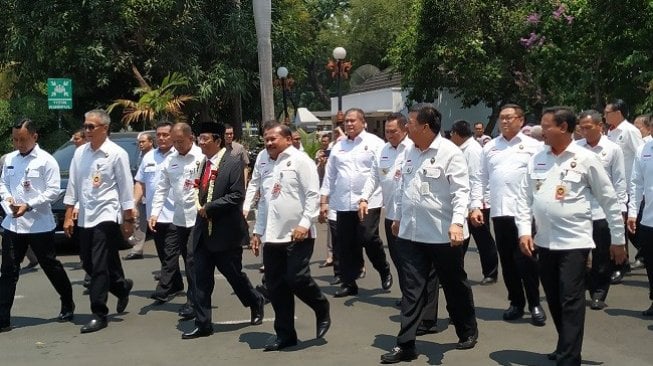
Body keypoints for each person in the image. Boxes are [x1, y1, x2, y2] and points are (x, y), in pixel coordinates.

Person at [516, 106, 626, 365]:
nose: (541, 131)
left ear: (563, 128)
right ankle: (565, 344)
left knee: (571, 299)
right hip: (544, 242)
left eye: (546, 126)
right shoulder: (538, 158)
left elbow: (609, 200)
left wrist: (618, 240)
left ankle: (569, 357)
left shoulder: (585, 158)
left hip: (575, 242)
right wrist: (524, 231)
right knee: (554, 298)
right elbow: (524, 199)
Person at [380, 105, 478, 364]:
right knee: (412, 289)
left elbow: (461, 192)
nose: (406, 127)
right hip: (412, 234)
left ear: (425, 127)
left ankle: (467, 329)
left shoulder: (450, 153)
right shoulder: (409, 152)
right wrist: (398, 217)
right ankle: (406, 344)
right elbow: (403, 187)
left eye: (410, 123)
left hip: (443, 235)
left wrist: (457, 223)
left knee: (454, 284)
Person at [249, 122, 330, 351]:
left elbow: (313, 194)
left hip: (298, 234)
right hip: (273, 236)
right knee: (276, 287)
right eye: (266, 139)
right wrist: (257, 231)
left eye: (273, 139)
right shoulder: (266, 163)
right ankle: (285, 334)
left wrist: (305, 224)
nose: (269, 143)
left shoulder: (301, 161)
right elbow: (264, 201)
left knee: (296, 278)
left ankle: (321, 306)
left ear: (287, 139)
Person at [182, 122, 264, 340]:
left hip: (225, 232)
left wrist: (211, 207)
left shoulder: (233, 163)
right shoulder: (202, 164)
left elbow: (237, 195)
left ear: (217, 141)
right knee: (200, 277)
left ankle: (255, 300)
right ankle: (203, 323)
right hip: (202, 231)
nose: (200, 142)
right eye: (199, 137)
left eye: (204, 138)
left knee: (233, 275)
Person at [360, 111, 438, 335]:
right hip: (393, 217)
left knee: (426, 268)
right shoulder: (382, 151)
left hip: (417, 217)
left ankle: (428, 317)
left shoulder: (414, 150)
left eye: (394, 131)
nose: (390, 135)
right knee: (402, 263)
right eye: (387, 131)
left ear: (405, 129)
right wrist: (364, 197)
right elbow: (374, 177)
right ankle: (411, 300)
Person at [472, 103, 546, 326]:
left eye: (509, 118)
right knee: (507, 261)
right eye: (501, 118)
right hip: (500, 212)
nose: (504, 122)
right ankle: (516, 301)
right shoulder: (490, 147)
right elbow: (480, 179)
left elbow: (542, 179)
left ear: (521, 120)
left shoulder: (534, 147)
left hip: (527, 213)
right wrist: (476, 205)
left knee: (527, 260)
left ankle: (535, 302)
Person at [63, 109, 135, 333]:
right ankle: (122, 287)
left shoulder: (116, 153)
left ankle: (99, 313)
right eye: (85, 126)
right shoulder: (80, 153)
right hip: (86, 215)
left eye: (91, 127)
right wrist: (68, 214)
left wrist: (128, 218)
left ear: (104, 128)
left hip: (107, 213)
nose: (86, 131)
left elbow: (125, 188)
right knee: (87, 261)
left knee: (99, 263)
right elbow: (73, 184)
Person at [0, 118, 75, 333]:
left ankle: (67, 302)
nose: (18, 144)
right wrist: (9, 203)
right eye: (15, 140)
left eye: (22, 139)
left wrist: (28, 205)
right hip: (13, 224)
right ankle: (2, 317)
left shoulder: (46, 160)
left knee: (49, 265)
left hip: (39, 225)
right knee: (8, 271)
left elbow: (53, 191)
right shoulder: (10, 159)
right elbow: (3, 185)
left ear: (34, 136)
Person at [319, 108, 393, 298]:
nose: (349, 124)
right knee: (345, 244)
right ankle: (348, 282)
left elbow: (384, 170)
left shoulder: (375, 144)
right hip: (343, 202)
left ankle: (383, 269)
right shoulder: (339, 146)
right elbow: (330, 175)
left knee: (368, 238)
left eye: (353, 121)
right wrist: (324, 201)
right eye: (347, 122)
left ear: (363, 122)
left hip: (368, 201)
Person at [149, 122, 203, 319]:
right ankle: (197, 298)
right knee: (189, 260)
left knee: (191, 259)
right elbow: (161, 188)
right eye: (175, 142)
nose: (177, 145)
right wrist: (154, 213)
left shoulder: (202, 157)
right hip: (179, 219)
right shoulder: (170, 160)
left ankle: (194, 301)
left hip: (199, 218)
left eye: (181, 141)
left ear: (191, 138)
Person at [576, 110, 627, 310]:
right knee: (578, 253)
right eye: (581, 128)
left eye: (588, 128)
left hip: (602, 210)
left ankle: (599, 292)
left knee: (601, 254)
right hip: (579, 209)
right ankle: (585, 285)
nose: (584, 132)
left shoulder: (613, 149)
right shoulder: (575, 149)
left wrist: (621, 208)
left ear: (601, 127)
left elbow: (620, 181)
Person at [131, 122, 177, 301]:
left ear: (173, 136)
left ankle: (163, 289)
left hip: (175, 214)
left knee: (171, 253)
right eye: (159, 135)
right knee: (162, 253)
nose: (162, 138)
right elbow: (140, 182)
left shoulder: (179, 156)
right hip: (154, 215)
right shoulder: (149, 157)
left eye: (166, 134)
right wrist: (134, 203)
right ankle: (176, 284)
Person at [450, 120, 499, 285]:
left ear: (457, 134)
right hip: (466, 201)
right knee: (460, 239)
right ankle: (454, 272)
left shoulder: (472, 150)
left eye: (452, 134)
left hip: (476, 203)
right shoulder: (461, 149)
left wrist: (473, 205)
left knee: (483, 240)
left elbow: (475, 178)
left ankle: (491, 272)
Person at [604, 99, 644, 283]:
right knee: (617, 227)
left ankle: (627, 262)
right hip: (611, 188)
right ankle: (623, 263)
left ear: (618, 113)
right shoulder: (609, 133)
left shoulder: (629, 131)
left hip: (628, 188)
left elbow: (640, 156)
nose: (605, 116)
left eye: (607, 112)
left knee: (628, 228)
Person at [627, 124, 653, 317]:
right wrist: (633, 213)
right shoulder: (644, 150)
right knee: (651, 265)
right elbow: (636, 184)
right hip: (649, 219)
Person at [124, 131, 155, 260]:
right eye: (139, 142)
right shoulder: (139, 157)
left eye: (143, 142)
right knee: (138, 222)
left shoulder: (155, 156)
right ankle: (137, 249)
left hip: (154, 196)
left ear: (151, 142)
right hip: (140, 194)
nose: (140, 144)